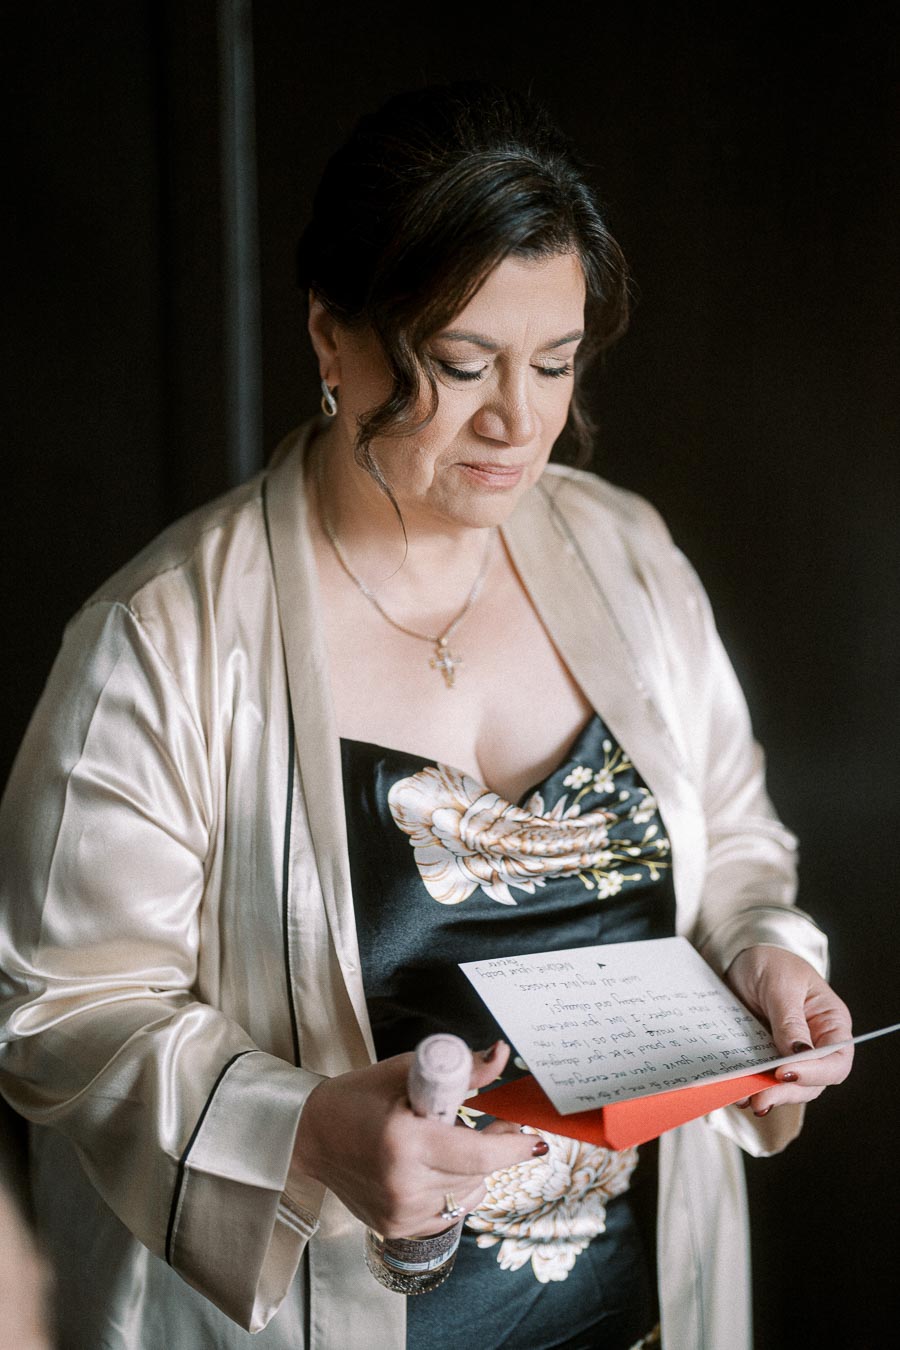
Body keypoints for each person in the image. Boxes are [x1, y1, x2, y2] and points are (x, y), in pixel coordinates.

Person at [0, 82, 853, 1350]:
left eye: (556, 361)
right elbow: (61, 1007)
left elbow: (731, 838)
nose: (521, 421)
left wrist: (767, 954)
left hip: (640, 1299)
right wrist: (295, 1127)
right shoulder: (165, 638)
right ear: (332, 338)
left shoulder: (627, 556)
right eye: (461, 365)